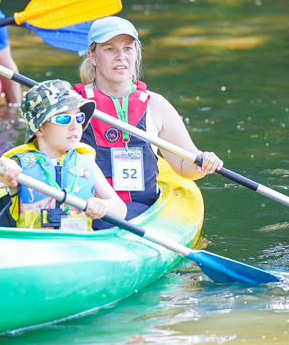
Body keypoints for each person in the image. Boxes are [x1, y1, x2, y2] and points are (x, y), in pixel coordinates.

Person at [74, 16, 224, 220]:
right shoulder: (73, 105)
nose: (121, 56)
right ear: (92, 57)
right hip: (87, 208)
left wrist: (203, 162)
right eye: (110, 49)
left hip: (143, 212)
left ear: (136, 53)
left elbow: (184, 165)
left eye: (128, 48)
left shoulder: (156, 105)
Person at [0, 80, 126, 230]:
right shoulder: (20, 164)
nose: (74, 126)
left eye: (79, 118)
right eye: (63, 119)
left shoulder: (85, 162)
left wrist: (104, 205)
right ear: (39, 129)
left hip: (78, 246)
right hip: (33, 246)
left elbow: (121, 210)